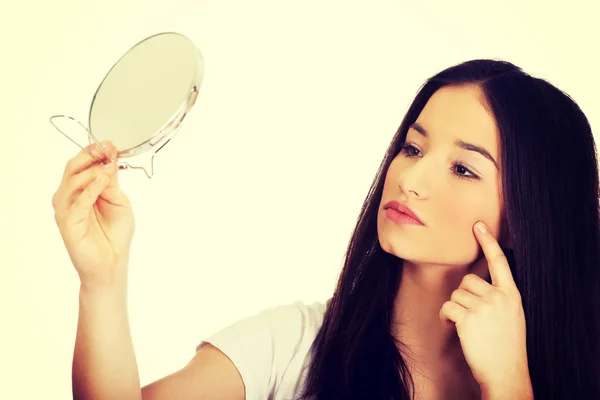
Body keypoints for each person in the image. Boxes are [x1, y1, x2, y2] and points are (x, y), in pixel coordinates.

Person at [53, 59, 600, 400]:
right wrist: (102, 280)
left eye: (463, 168)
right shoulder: (292, 345)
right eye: (412, 147)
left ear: (530, 215)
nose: (410, 178)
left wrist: (508, 385)